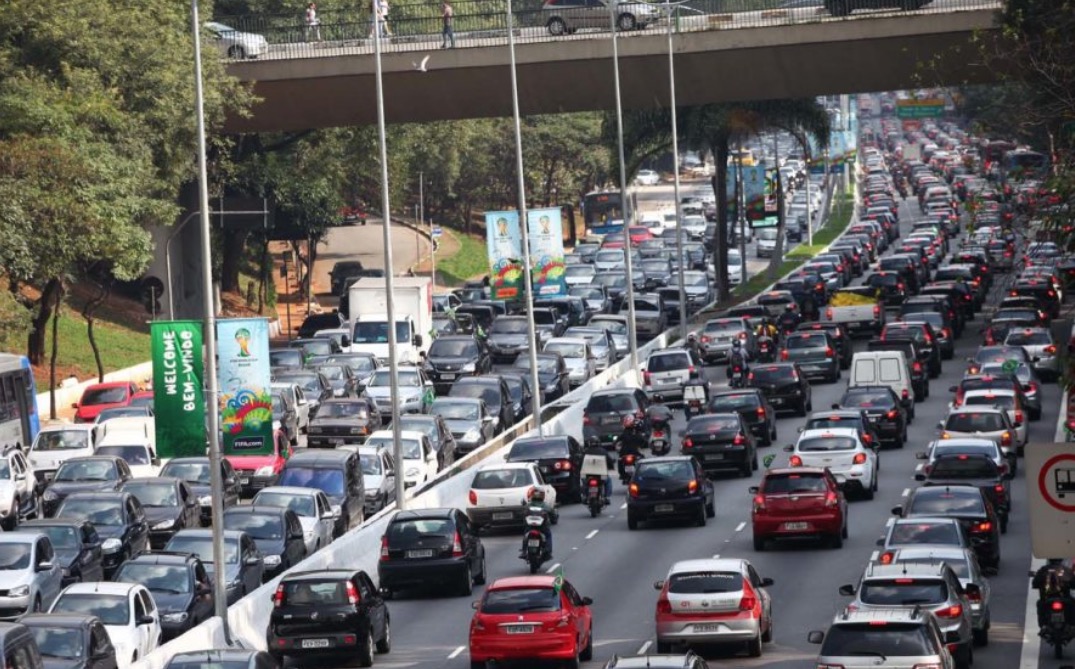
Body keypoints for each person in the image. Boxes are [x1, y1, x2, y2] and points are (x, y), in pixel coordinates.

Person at [521, 488, 554, 558]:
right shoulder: (545, 505)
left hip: (530, 527)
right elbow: (552, 512)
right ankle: (548, 550)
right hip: (542, 527)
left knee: (525, 534)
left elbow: (523, 512)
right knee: (548, 535)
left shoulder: (528, 505)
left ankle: (524, 551)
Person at [581, 436, 614, 502]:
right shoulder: (603, 451)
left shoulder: (585, 452)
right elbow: (609, 461)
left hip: (588, 474)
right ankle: (607, 497)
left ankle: (584, 496)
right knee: (608, 481)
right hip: (601, 474)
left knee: (584, 482)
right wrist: (611, 466)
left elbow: (580, 462)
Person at [616, 415, 648, 480]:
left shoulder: (625, 434)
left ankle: (623, 475)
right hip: (633, 453)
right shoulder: (636, 434)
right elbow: (644, 442)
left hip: (626, 453)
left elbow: (644, 442)